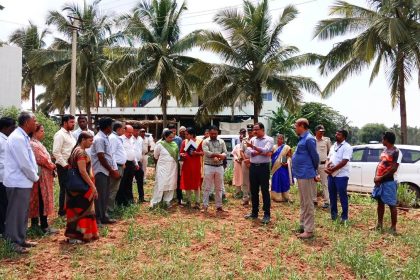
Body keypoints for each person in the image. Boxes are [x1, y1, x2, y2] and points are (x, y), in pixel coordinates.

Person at [3, 112, 39, 253]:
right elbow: (24, 163)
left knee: (22, 212)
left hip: (23, 181)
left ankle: (21, 239)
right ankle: (13, 242)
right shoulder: (17, 138)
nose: (36, 123)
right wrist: (35, 177)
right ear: (26, 123)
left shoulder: (22, 137)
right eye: (34, 121)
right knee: (15, 214)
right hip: (17, 182)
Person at [65, 132, 99, 243]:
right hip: (81, 188)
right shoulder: (80, 153)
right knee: (82, 210)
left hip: (76, 187)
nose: (91, 143)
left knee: (76, 209)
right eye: (90, 140)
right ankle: (78, 235)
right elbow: (83, 171)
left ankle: (79, 235)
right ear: (83, 139)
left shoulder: (76, 150)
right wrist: (92, 185)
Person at [292, 118, 320, 239]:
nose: (295, 128)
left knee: (308, 203)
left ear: (302, 126)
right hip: (301, 174)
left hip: (306, 174)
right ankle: (303, 224)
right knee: (303, 202)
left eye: (296, 126)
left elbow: (315, 157)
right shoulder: (302, 138)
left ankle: (309, 230)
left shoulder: (309, 139)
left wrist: (314, 172)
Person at [29, 124, 58, 234]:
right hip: (40, 178)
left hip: (44, 176)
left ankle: (37, 224)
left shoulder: (37, 143)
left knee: (39, 200)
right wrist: (52, 166)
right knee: (41, 200)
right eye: (41, 130)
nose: (43, 132)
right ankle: (44, 226)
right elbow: (43, 159)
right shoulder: (33, 144)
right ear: (35, 132)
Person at [90, 117, 119, 225]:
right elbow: (101, 157)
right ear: (107, 127)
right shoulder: (99, 139)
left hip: (105, 171)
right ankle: (98, 218)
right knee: (100, 195)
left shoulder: (105, 137)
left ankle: (104, 216)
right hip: (100, 171)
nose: (112, 128)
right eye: (111, 126)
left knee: (105, 194)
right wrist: (111, 170)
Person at [371, 131, 402, 234]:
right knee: (380, 203)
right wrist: (376, 177)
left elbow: (393, 169)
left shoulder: (396, 152)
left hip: (389, 181)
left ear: (387, 140)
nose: (382, 140)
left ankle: (393, 228)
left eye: (383, 138)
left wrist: (380, 178)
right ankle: (379, 225)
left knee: (391, 204)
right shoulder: (384, 150)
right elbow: (380, 164)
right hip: (380, 181)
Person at [245, 123, 274, 224]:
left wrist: (253, 148)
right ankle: (254, 212)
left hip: (264, 167)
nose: (255, 131)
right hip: (253, 167)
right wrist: (260, 152)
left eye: (257, 129)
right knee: (254, 191)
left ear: (262, 129)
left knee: (265, 191)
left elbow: (266, 150)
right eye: (254, 130)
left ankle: (266, 214)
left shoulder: (269, 139)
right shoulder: (253, 139)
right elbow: (247, 153)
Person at [325, 129, 353, 224]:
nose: (336, 135)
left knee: (342, 196)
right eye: (336, 133)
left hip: (341, 175)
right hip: (331, 175)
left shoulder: (347, 147)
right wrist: (327, 167)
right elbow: (328, 158)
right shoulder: (333, 146)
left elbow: (344, 161)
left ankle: (344, 217)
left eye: (339, 134)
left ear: (344, 137)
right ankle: (334, 215)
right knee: (332, 195)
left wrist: (333, 169)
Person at [53, 114, 76, 216]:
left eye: (73, 122)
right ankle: (62, 211)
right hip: (63, 166)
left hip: (72, 166)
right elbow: (56, 152)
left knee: (71, 188)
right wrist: (65, 165)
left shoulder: (71, 134)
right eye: (71, 122)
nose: (73, 124)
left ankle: (69, 209)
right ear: (65, 122)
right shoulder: (60, 134)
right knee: (64, 189)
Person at [202, 126, 227, 212]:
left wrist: (220, 158)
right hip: (208, 166)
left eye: (215, 133)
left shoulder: (221, 141)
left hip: (219, 166)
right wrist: (218, 155)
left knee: (219, 187)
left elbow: (225, 152)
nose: (213, 135)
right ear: (209, 133)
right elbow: (207, 152)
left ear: (217, 133)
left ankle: (219, 206)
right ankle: (205, 206)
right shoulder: (205, 141)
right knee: (207, 187)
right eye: (212, 133)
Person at [151, 130, 179, 208]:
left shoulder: (174, 145)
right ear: (165, 137)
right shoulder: (160, 144)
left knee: (171, 184)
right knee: (160, 183)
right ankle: (156, 202)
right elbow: (156, 156)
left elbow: (176, 156)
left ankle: (167, 201)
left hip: (173, 167)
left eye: (172, 137)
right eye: (170, 137)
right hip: (162, 167)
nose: (171, 139)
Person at [180, 127, 204, 209]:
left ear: (192, 134)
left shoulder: (200, 141)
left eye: (187, 134)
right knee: (187, 183)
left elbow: (203, 152)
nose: (185, 136)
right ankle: (188, 201)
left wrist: (196, 153)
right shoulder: (184, 142)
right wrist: (182, 155)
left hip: (196, 165)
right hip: (187, 165)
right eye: (185, 134)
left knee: (196, 183)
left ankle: (197, 202)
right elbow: (181, 152)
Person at [0, 117, 16, 238]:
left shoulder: (7, 139)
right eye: (12, 127)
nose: (14, 129)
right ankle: (3, 230)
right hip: (1, 177)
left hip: (7, 177)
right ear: (5, 128)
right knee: (3, 204)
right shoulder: (1, 140)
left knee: (5, 203)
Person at [117, 125, 140, 206]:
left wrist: (136, 163)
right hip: (124, 164)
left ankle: (130, 200)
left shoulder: (132, 139)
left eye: (131, 132)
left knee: (129, 182)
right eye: (129, 132)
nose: (131, 134)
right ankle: (121, 201)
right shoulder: (120, 139)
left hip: (131, 164)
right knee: (122, 183)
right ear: (124, 131)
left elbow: (132, 152)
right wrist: (123, 163)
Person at [108, 121, 126, 211]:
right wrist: (114, 169)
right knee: (112, 188)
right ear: (118, 129)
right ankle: (109, 209)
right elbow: (112, 154)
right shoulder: (113, 138)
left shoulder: (116, 138)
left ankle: (111, 207)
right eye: (123, 128)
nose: (124, 130)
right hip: (116, 167)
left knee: (115, 188)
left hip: (119, 166)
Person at [271, 134, 293, 202]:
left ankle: (286, 196)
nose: (279, 140)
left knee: (284, 180)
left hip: (283, 167)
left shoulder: (286, 147)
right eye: (278, 138)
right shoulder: (273, 147)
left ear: (283, 140)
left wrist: (287, 163)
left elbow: (289, 157)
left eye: (281, 139)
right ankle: (277, 197)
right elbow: (270, 156)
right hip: (275, 168)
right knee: (276, 181)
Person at [315, 125, 332, 208]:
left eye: (323, 131)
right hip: (313, 165)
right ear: (316, 131)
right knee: (313, 183)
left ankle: (327, 202)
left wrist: (327, 163)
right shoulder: (312, 140)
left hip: (323, 164)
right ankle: (314, 200)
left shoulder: (326, 140)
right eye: (320, 131)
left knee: (325, 183)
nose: (322, 133)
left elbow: (330, 152)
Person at [168, 123, 184, 205]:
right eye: (171, 131)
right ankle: (169, 198)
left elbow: (181, 151)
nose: (173, 133)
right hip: (168, 163)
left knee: (178, 180)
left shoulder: (179, 139)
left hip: (176, 162)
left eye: (174, 131)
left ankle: (179, 198)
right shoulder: (165, 140)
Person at [240, 124, 254, 206]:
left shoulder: (256, 140)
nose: (250, 132)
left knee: (254, 181)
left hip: (254, 162)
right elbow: (241, 151)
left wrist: (250, 161)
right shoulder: (244, 140)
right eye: (249, 131)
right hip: (245, 162)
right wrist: (245, 160)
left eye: (251, 131)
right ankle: (245, 199)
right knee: (245, 181)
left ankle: (253, 198)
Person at [133, 125, 146, 203]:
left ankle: (141, 197)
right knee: (130, 181)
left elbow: (140, 150)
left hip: (139, 161)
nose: (137, 132)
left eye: (138, 131)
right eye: (135, 130)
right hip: (131, 162)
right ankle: (130, 198)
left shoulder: (140, 139)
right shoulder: (130, 138)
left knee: (140, 179)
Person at [232, 131, 245, 198]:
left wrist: (243, 159)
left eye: (242, 138)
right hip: (237, 163)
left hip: (244, 163)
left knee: (244, 178)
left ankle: (245, 193)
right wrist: (237, 159)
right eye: (240, 138)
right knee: (237, 177)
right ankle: (238, 192)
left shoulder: (246, 145)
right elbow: (233, 153)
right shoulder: (237, 146)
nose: (241, 139)